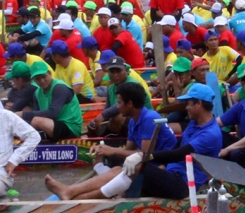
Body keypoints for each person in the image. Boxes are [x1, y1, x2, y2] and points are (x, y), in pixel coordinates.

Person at [45, 82, 177, 200]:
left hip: (166, 171)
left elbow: (144, 155)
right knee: (114, 163)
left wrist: (111, 150)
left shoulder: (149, 118)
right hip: (149, 167)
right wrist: (103, 152)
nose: (117, 107)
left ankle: (72, 193)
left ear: (129, 104)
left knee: (120, 169)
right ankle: (75, 194)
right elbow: (129, 152)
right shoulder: (133, 121)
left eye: (119, 102)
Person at [22, 60, 84, 141]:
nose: (42, 81)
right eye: (38, 79)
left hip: (70, 128)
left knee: (36, 120)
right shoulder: (37, 93)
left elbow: (53, 113)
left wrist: (24, 115)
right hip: (53, 125)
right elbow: (36, 114)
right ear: (34, 80)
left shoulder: (60, 87)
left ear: (50, 74)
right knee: (30, 117)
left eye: (44, 77)